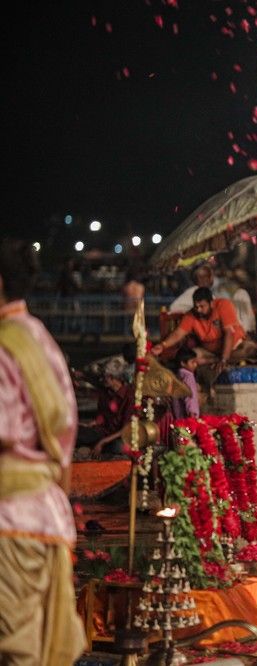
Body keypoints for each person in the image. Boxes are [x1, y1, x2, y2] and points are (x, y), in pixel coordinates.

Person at [0, 240, 87, 663]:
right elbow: (64, 437)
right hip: (45, 517)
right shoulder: (38, 337)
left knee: (17, 652)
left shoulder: (5, 344)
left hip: (9, 520)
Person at [153, 287, 257, 366]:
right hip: (210, 352)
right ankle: (216, 360)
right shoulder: (191, 315)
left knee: (250, 349)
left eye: (202, 306)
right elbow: (178, 333)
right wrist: (163, 345)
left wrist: (224, 358)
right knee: (190, 358)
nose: (198, 310)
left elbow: (228, 333)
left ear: (211, 303)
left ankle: (217, 360)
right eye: (196, 306)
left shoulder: (223, 305)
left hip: (234, 348)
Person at [169, 263, 256, 334]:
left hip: (223, 324)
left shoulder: (210, 292)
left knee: (241, 294)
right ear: (196, 279)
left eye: (208, 276)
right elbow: (173, 309)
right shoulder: (193, 292)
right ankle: (246, 333)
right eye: (202, 277)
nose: (205, 279)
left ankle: (247, 332)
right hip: (214, 328)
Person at [172, 348, 201, 419]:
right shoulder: (188, 376)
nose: (195, 365)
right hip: (189, 417)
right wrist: (192, 413)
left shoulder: (177, 375)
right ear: (183, 363)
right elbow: (190, 396)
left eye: (196, 362)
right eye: (192, 362)